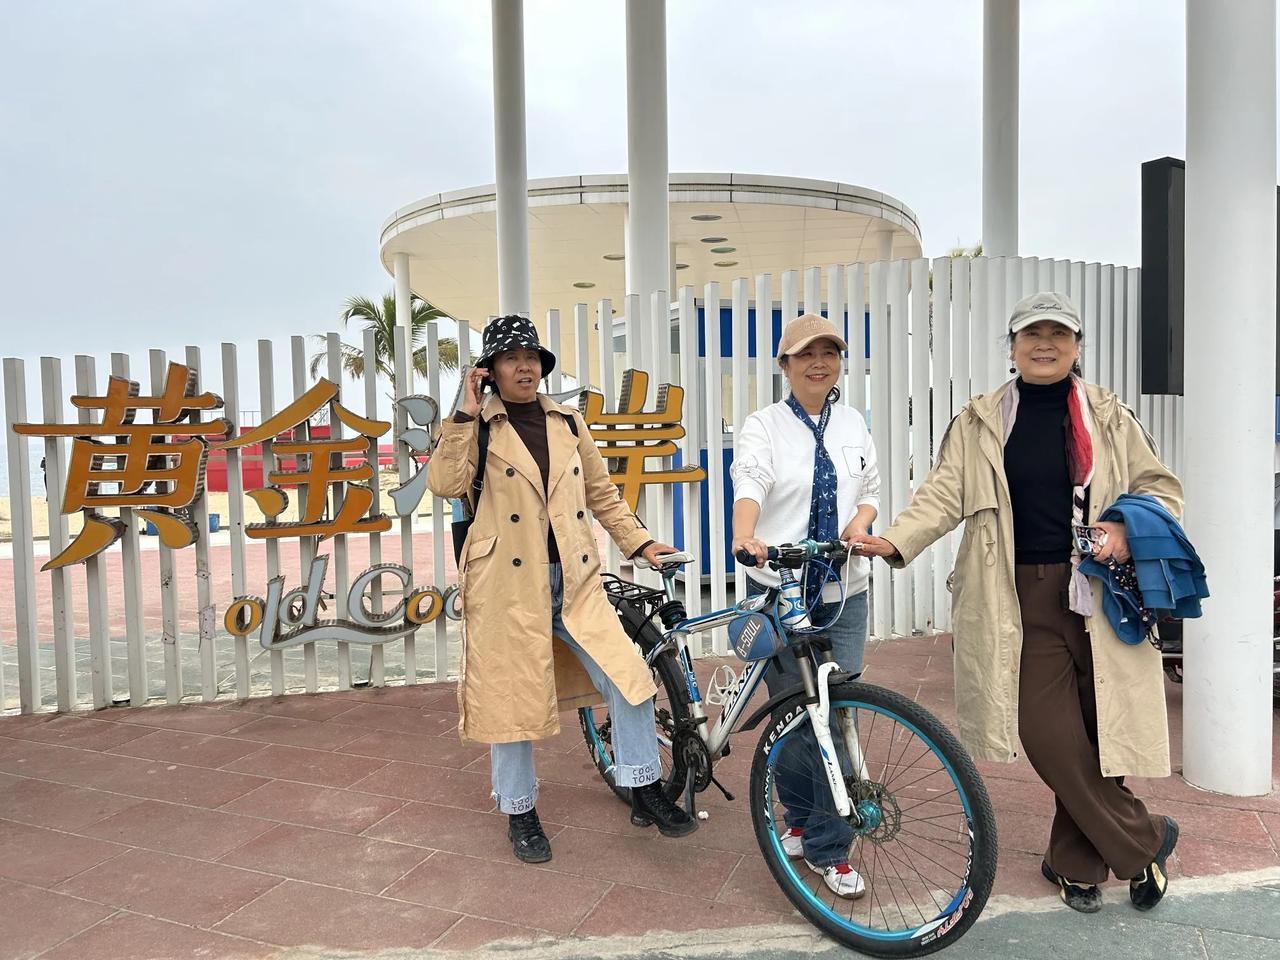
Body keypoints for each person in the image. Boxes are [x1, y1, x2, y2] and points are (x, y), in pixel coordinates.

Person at [853, 291, 1182, 913]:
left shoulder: (1109, 416)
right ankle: (1145, 840)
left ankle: (1073, 863)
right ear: (1012, 347)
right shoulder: (981, 420)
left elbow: (1161, 488)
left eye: (1059, 334)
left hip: (1100, 590)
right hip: (1016, 597)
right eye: (1033, 334)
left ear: (1077, 348)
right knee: (1048, 734)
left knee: (1096, 733)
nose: (1045, 344)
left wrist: (1122, 529)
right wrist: (894, 541)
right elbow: (942, 494)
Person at [427, 314, 696, 863]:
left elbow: (603, 495)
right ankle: (520, 811)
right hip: (505, 585)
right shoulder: (476, 426)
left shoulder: (569, 423)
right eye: (510, 358)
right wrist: (464, 412)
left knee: (630, 677)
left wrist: (640, 544)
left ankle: (643, 786)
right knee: (511, 699)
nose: (524, 366)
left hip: (573, 580)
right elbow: (445, 484)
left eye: (531, 357)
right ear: (490, 371)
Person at [730, 314, 880, 900]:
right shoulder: (763, 425)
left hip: (843, 588)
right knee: (793, 716)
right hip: (779, 589)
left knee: (836, 711)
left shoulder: (851, 423)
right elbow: (750, 481)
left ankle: (819, 834)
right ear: (784, 365)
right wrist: (747, 534)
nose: (820, 363)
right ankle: (816, 836)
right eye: (805, 355)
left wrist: (859, 525)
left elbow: (868, 488)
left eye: (830, 354)